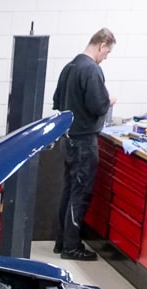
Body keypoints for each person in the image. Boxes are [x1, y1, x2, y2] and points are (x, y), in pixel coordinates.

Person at [52, 29, 115, 261]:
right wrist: (110, 100)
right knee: (80, 194)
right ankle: (71, 247)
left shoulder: (69, 67)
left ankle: (62, 242)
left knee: (69, 191)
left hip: (67, 138)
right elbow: (98, 106)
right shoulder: (91, 69)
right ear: (102, 45)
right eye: (107, 52)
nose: (105, 57)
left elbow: (57, 101)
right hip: (84, 141)